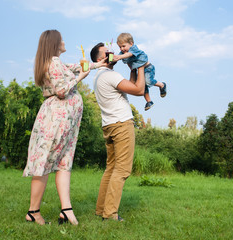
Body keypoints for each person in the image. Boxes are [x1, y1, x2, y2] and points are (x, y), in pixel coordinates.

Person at [22, 30, 106, 225]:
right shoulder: (54, 61)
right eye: (61, 39)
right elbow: (61, 90)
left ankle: (66, 210)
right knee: (45, 163)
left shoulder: (53, 62)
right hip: (57, 119)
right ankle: (33, 212)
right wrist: (80, 78)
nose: (64, 41)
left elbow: (76, 67)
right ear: (54, 43)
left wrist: (97, 65)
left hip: (63, 119)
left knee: (63, 163)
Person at [90, 42, 145, 221]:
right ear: (100, 59)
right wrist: (142, 66)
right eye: (107, 52)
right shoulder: (110, 75)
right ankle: (110, 214)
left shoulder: (99, 76)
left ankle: (101, 210)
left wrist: (132, 69)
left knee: (111, 168)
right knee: (122, 170)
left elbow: (128, 84)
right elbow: (138, 89)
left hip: (109, 125)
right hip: (122, 125)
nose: (112, 53)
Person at [113, 32, 167, 111]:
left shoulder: (133, 49)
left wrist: (119, 57)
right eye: (120, 47)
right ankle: (149, 101)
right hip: (139, 70)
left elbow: (129, 55)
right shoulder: (122, 53)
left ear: (131, 43)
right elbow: (128, 62)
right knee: (142, 86)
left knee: (148, 82)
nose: (121, 49)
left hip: (147, 68)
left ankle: (162, 85)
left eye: (123, 46)